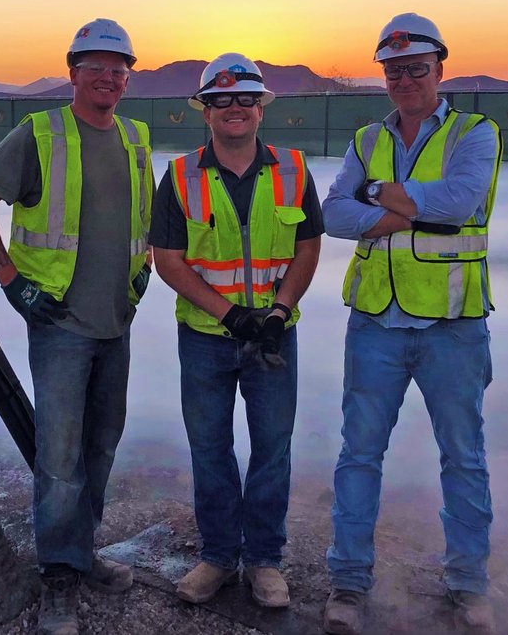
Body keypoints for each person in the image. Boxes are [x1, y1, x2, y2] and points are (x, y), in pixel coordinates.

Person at [0, 18, 154, 635]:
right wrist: (12, 281)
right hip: (62, 324)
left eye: (119, 67)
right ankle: (58, 581)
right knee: (61, 458)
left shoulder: (136, 137)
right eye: (95, 65)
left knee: (100, 446)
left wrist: (141, 270)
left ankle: (83, 552)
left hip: (115, 322)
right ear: (73, 72)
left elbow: (140, 219)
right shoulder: (41, 132)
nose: (109, 76)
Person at [320, 13, 502, 635]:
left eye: (415, 68)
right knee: (359, 455)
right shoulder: (368, 138)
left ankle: (468, 586)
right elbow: (333, 214)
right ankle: (347, 584)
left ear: (439, 69)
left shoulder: (476, 133)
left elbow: (460, 205)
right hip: (375, 320)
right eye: (393, 70)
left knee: (463, 457)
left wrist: (377, 195)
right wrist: (399, 205)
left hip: (453, 324)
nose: (403, 79)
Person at [151, 53, 323, 609]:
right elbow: (168, 260)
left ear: (260, 107)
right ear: (205, 110)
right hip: (205, 338)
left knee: (273, 448)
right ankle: (219, 556)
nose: (234, 109)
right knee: (210, 448)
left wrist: (277, 314)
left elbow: (307, 247)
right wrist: (231, 316)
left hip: (273, 339)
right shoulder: (180, 176)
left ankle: (266, 561)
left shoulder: (294, 169)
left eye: (245, 98)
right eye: (221, 100)